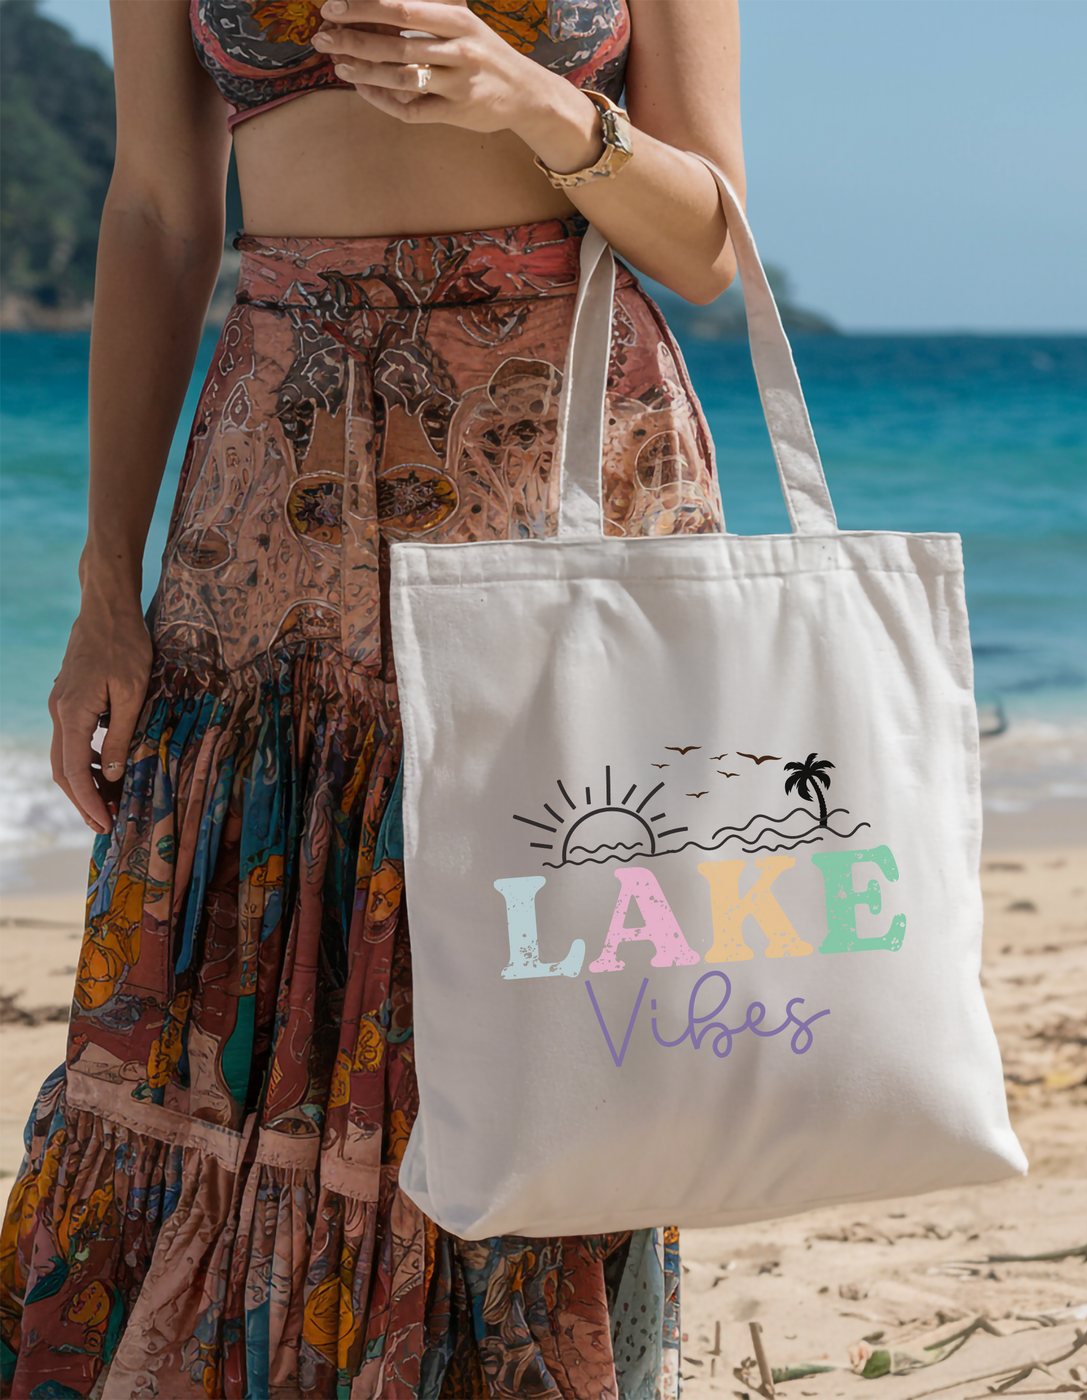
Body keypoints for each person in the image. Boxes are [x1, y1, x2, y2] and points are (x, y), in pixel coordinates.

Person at [0, 0, 741, 1393]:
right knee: (231, 979)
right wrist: (107, 585)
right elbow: (162, 209)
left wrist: (526, 94)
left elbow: (706, 240)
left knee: (557, 981)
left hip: (561, 463)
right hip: (269, 490)